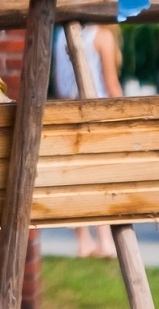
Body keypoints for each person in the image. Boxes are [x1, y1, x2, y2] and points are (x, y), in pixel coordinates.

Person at [53, 22, 124, 257]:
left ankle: (84, 242)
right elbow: (111, 86)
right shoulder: (102, 36)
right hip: (98, 115)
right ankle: (105, 240)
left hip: (68, 114)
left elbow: (61, 86)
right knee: (102, 181)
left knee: (76, 183)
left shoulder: (60, 38)